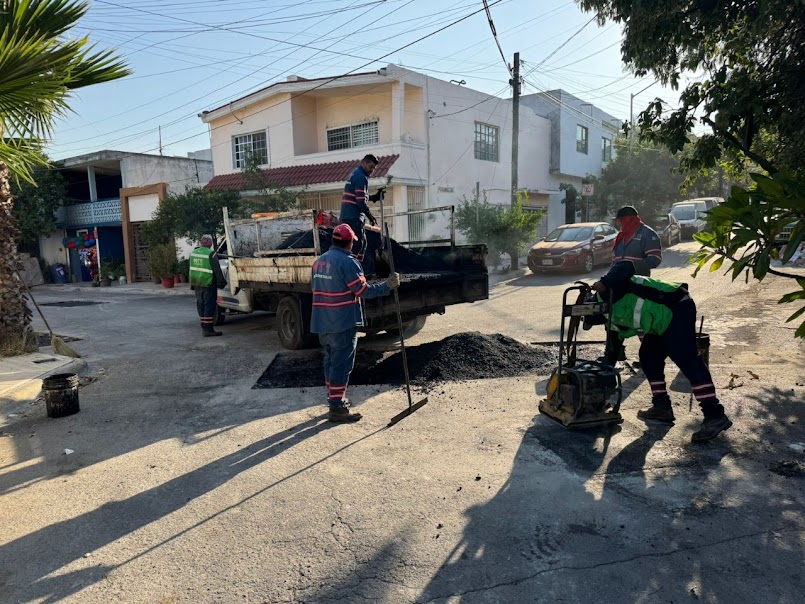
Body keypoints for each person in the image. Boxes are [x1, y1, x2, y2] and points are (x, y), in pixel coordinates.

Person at [592, 262, 732, 442]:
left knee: (687, 360)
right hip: (660, 321)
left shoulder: (612, 287)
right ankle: (662, 407)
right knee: (649, 357)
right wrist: (604, 380)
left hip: (677, 306)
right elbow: (611, 352)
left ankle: (715, 415)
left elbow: (626, 266)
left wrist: (604, 281)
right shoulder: (610, 318)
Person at [311, 223, 399, 422]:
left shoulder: (319, 262)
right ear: (349, 243)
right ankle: (338, 407)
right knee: (342, 364)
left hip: (322, 322)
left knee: (330, 362)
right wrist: (387, 286)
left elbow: (316, 288)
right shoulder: (348, 262)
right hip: (342, 322)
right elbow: (363, 291)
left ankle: (333, 399)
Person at [606, 206, 663, 364]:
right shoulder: (621, 236)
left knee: (640, 321)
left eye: (621, 221)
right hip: (619, 287)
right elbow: (615, 261)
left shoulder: (647, 234)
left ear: (629, 219)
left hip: (638, 285)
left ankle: (651, 358)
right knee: (616, 319)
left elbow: (655, 260)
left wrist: (632, 266)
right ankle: (615, 353)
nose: (619, 224)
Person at [339, 154, 386, 275]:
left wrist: (374, 197)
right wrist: (370, 216)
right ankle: (352, 272)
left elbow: (359, 196)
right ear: (363, 163)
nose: (372, 170)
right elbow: (360, 202)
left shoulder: (355, 174)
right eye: (370, 166)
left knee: (356, 244)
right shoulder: (361, 177)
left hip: (346, 216)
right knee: (358, 244)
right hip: (354, 216)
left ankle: (352, 270)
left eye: (374, 168)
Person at [189, 234, 227, 337]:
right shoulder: (211, 254)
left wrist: (192, 284)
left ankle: (204, 327)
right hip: (208, 283)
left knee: (200, 305)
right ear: (209, 243)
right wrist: (222, 283)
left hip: (197, 283)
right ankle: (208, 330)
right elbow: (217, 270)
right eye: (210, 242)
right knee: (209, 306)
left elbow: (191, 268)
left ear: (202, 243)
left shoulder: (193, 253)